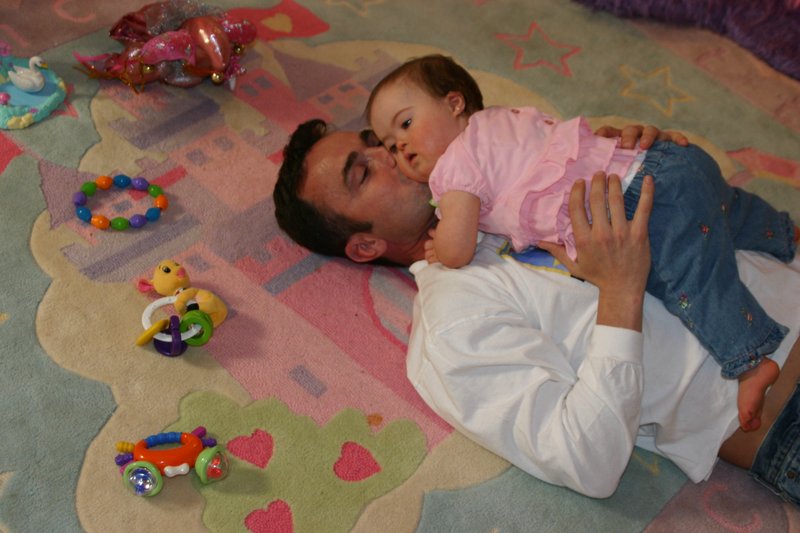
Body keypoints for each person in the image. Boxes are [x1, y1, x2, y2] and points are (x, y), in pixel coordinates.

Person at [272, 118, 800, 502]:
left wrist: (645, 158)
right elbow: (588, 462)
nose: (389, 153)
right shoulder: (450, 325)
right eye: (361, 173)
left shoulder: (517, 173)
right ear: (365, 247)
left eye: (376, 142)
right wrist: (620, 293)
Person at [365, 54, 799, 433]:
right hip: (662, 162)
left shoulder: (454, 169)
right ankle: (781, 232)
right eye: (389, 143)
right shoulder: (502, 120)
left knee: (692, 279)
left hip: (638, 202)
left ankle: (750, 358)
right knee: (730, 208)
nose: (397, 148)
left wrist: (441, 244)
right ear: (363, 244)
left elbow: (458, 248)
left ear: (454, 102)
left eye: (405, 124)